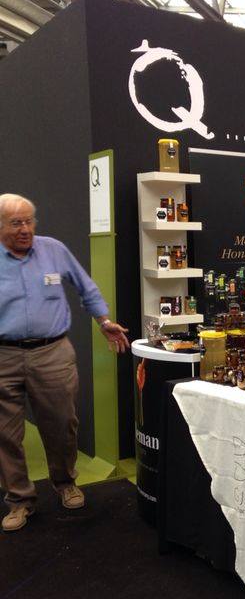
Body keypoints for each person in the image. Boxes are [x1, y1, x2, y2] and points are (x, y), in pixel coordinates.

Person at [0, 193, 129, 532]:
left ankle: (65, 482)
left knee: (62, 422)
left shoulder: (53, 250)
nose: (25, 229)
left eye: (29, 221)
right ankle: (19, 499)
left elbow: (86, 287)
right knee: (5, 433)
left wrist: (104, 321)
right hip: (4, 355)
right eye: (16, 223)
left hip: (52, 352)